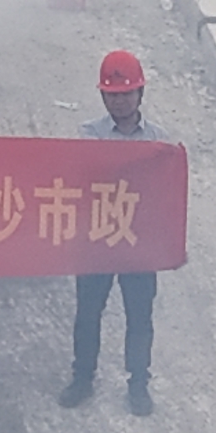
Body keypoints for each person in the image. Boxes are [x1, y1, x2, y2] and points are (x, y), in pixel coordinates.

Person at [68, 49, 168, 414]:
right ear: (103, 97)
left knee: (139, 316)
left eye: (126, 94)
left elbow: (166, 195)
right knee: (88, 313)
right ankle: (82, 378)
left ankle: (139, 384)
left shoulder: (160, 142)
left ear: (140, 95)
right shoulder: (89, 135)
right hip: (95, 240)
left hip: (138, 245)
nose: (120, 101)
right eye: (113, 94)